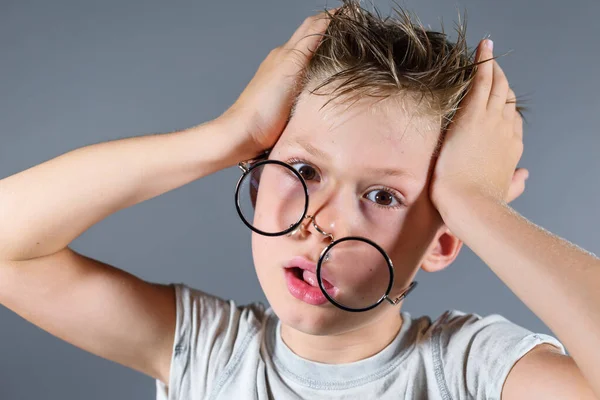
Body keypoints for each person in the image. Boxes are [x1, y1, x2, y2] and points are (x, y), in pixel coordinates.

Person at [0, 1, 599, 399]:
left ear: (442, 240)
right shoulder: (211, 354)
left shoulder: (470, 371)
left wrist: (475, 205)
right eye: (305, 168)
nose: (321, 222)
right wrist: (225, 136)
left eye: (384, 194)